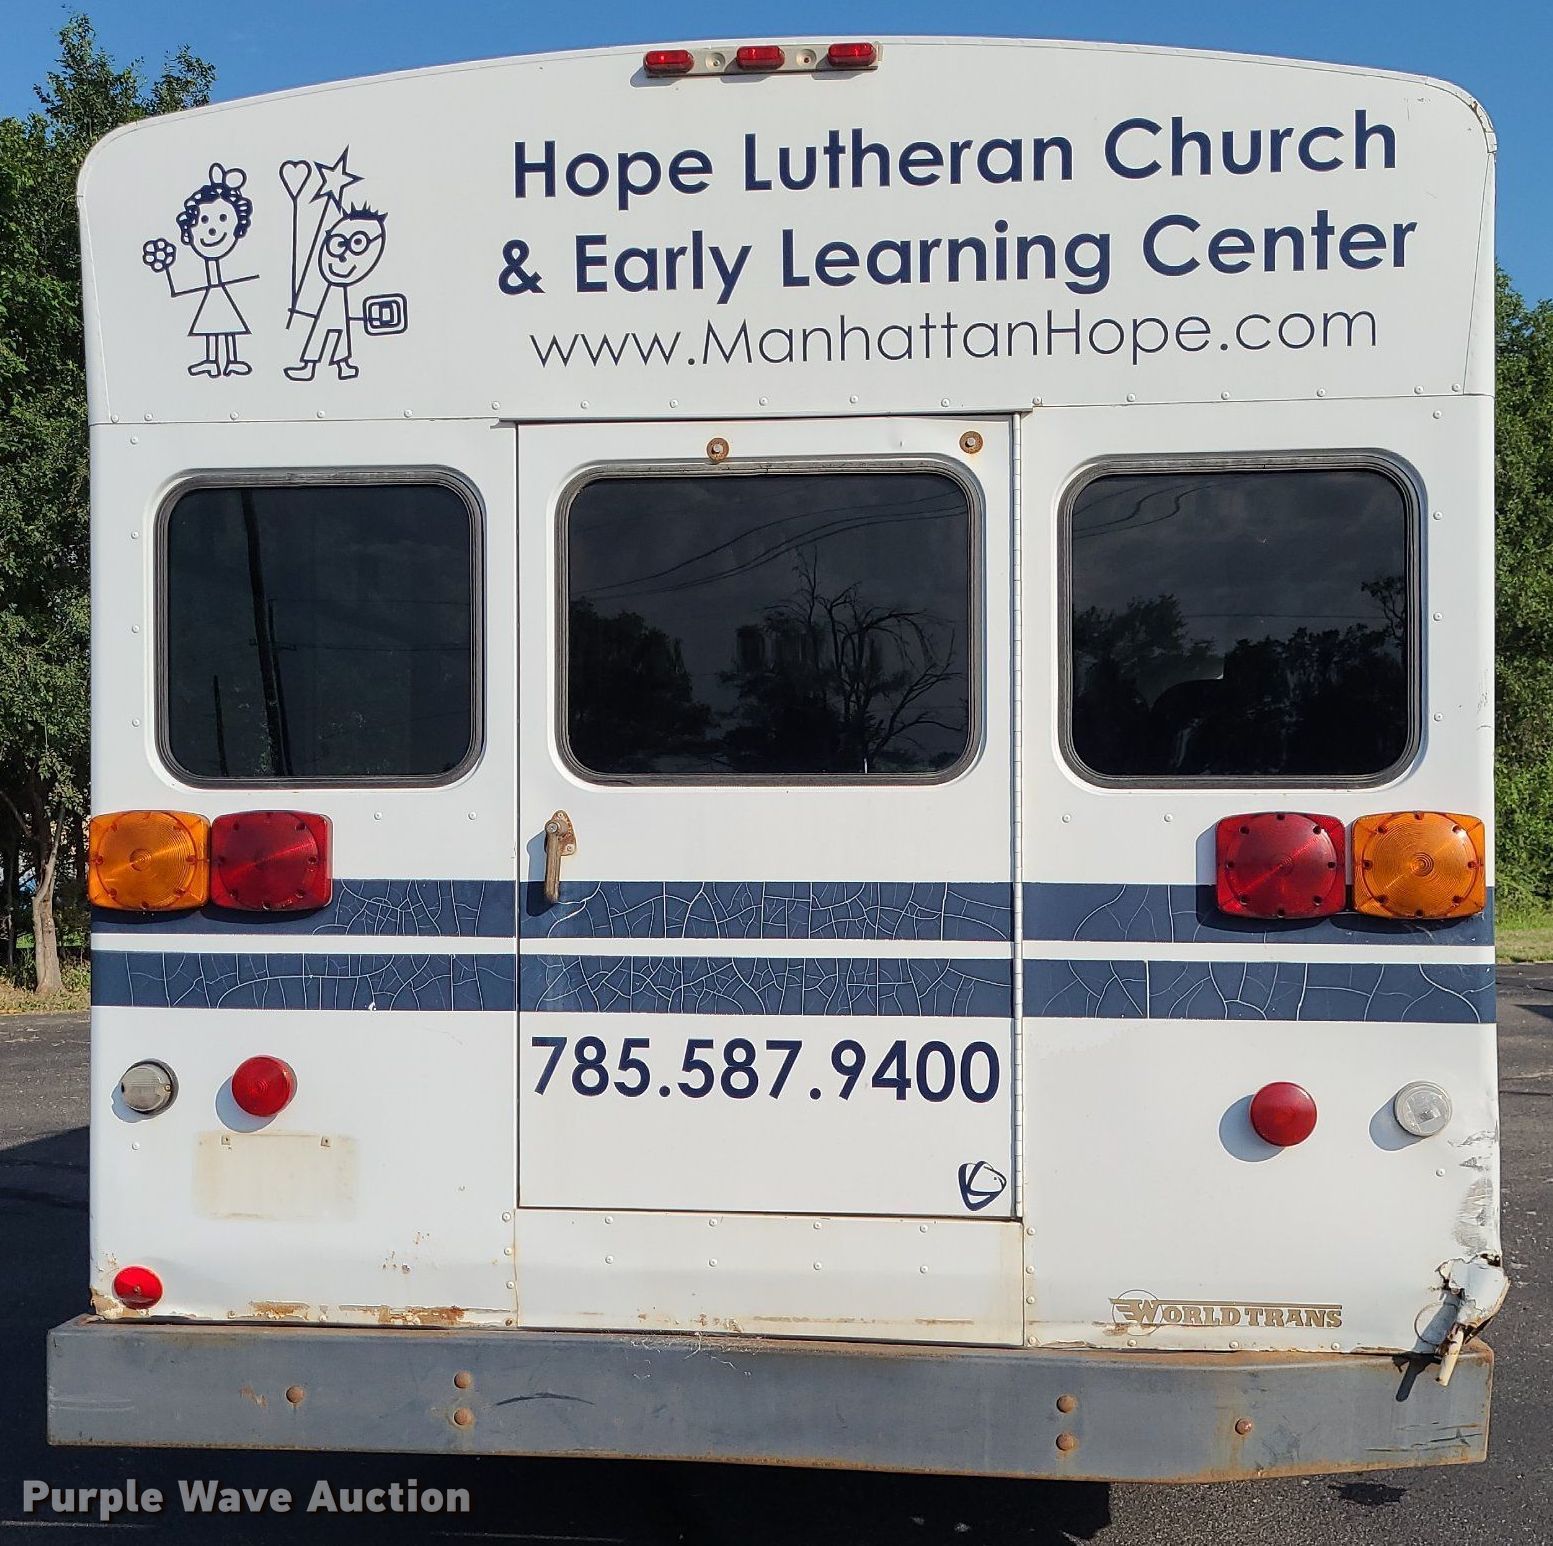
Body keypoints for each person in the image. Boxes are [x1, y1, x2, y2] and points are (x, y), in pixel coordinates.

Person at [142, 163, 256, 378]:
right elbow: (178, 290)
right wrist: (168, 271)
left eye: (223, 218)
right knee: (212, 327)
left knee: (226, 326)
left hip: (218, 293)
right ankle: (212, 361)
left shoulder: (236, 267)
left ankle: (231, 360)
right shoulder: (199, 270)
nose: (212, 229)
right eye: (203, 220)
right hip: (213, 293)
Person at [284, 206, 387, 381]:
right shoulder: (330, 289)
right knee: (326, 332)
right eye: (339, 244)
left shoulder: (344, 291)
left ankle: (336, 365)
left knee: (336, 333)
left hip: (335, 305)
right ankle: (318, 366)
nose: (343, 256)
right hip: (331, 304)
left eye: (358, 243)